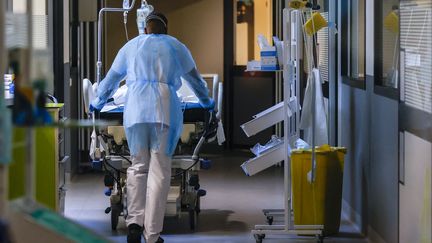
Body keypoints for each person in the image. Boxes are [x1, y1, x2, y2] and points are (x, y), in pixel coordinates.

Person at [90, 12, 213, 243]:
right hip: (163, 113)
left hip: (135, 112)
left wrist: (96, 103)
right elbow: (195, 80)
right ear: (165, 29)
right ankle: (152, 234)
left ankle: (134, 224)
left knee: (137, 167)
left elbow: (111, 80)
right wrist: (208, 104)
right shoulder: (176, 46)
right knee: (159, 171)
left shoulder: (131, 46)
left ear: (145, 28)